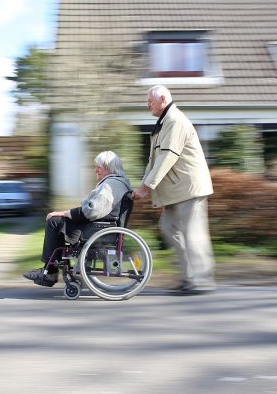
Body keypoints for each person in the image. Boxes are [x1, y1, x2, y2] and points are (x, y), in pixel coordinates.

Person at [132, 85, 216, 295]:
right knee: (169, 227)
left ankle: (202, 280)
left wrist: (146, 187)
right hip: (176, 191)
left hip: (189, 188)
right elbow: (154, 161)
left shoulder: (175, 120)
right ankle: (190, 277)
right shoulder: (163, 123)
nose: (147, 104)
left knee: (193, 234)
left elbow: (168, 157)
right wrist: (142, 185)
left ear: (162, 99)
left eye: (149, 101)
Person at [24, 150, 132, 287]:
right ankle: (50, 270)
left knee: (54, 221)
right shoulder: (116, 183)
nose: (96, 170)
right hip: (97, 226)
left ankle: (49, 272)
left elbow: (93, 210)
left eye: (99, 167)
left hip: (96, 228)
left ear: (109, 168)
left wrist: (65, 213)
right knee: (57, 222)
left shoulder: (111, 185)